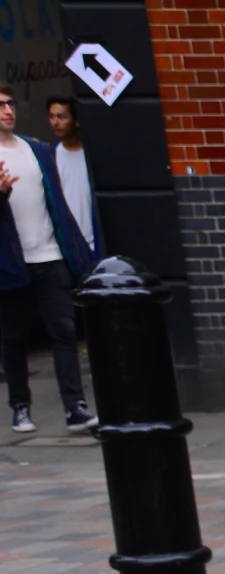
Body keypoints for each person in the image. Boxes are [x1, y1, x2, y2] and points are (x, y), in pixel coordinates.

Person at [0, 83, 96, 434]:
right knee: (13, 338)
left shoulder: (37, 150)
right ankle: (21, 406)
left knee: (65, 331)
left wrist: (74, 250)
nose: (8, 110)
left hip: (49, 254)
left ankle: (75, 407)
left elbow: (57, 204)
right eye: (0, 106)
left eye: (10, 104)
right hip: (11, 260)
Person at [45, 97, 96, 252]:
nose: (55, 122)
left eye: (61, 117)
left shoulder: (92, 153)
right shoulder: (50, 155)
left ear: (76, 121)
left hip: (95, 238)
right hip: (69, 243)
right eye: (52, 117)